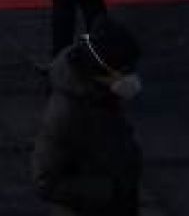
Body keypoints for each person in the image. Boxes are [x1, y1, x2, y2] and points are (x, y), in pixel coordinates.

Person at [33, 18, 143, 215]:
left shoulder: (100, 95)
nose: (131, 78)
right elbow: (46, 182)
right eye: (125, 71)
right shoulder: (66, 115)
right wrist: (110, 190)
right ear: (103, 71)